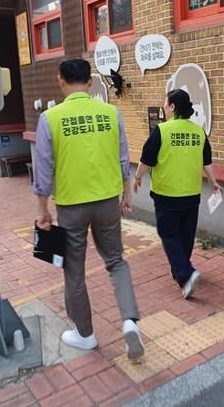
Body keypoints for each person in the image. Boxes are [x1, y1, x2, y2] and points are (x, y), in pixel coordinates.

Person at [32, 59, 144, 360]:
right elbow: (123, 155)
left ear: (60, 80)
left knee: (74, 270)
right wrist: (125, 193)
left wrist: (43, 209)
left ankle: (85, 334)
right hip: (107, 200)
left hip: (71, 205)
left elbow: (43, 170)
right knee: (116, 261)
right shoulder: (111, 113)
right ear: (90, 82)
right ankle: (130, 322)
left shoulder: (50, 118)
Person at [133, 89, 222, 298]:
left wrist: (137, 177)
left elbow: (147, 159)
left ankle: (186, 273)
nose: (164, 107)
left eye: (165, 104)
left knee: (169, 235)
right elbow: (206, 160)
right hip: (191, 193)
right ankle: (181, 273)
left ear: (173, 107)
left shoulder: (162, 130)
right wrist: (213, 181)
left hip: (167, 194)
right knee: (186, 235)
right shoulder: (198, 131)